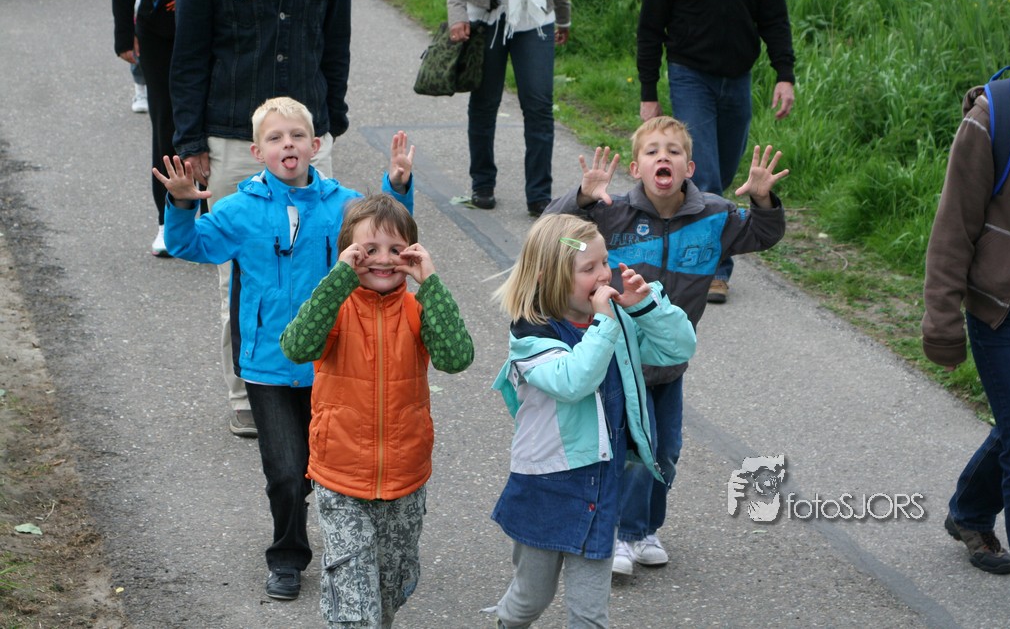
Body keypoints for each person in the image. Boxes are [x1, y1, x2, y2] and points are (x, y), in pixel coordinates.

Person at [154, 98, 414, 602]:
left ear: (315, 146)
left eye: (296, 135)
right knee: (286, 473)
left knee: (335, 468)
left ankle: (354, 547)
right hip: (267, 366)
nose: (287, 144)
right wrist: (182, 204)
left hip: (333, 363)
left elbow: (387, 235)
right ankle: (288, 557)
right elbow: (191, 246)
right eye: (274, 138)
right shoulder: (239, 209)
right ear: (258, 152)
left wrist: (397, 186)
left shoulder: (344, 205)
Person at [545, 116, 787, 576]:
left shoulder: (713, 215)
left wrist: (762, 200)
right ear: (635, 168)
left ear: (689, 168)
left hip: (669, 363)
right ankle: (620, 532)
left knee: (665, 452)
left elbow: (763, 234)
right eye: (653, 151)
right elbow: (551, 230)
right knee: (631, 451)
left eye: (674, 151)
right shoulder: (610, 212)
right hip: (618, 360)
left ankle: (644, 530)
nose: (664, 157)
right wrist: (581, 198)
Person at [170, 0, 351, 437]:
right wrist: (190, 140)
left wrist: (332, 118)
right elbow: (188, 53)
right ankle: (247, 391)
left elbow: (336, 41)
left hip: (309, 133)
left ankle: (318, 383)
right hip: (231, 139)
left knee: (320, 269)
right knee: (241, 278)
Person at [487, 214, 697, 627]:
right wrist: (605, 323)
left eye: (605, 262)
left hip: (601, 485)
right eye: (589, 268)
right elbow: (574, 382)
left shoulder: (614, 318)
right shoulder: (531, 335)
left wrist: (646, 307)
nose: (604, 275)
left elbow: (678, 349)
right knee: (531, 599)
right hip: (546, 484)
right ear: (549, 278)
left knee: (590, 613)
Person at [280, 194, 473, 627]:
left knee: (391, 586)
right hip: (340, 477)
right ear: (348, 254)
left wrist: (431, 283)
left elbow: (457, 357)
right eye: (369, 250)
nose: (383, 260)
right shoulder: (335, 307)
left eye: (395, 249)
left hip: (405, 477)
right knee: (354, 601)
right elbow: (296, 346)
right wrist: (338, 280)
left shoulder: (418, 309)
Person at [923, 0, 1010, 628]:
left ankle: (968, 511)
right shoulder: (993, 120)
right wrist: (941, 322)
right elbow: (953, 230)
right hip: (1007, 312)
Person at [636, 0, 795, 304]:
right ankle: (713, 271)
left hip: (738, 77)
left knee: (722, 173)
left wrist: (784, 74)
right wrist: (648, 92)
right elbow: (650, 28)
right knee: (704, 174)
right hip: (690, 74)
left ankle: (679, 237)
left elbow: (774, 17)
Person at [446, 0, 571, 217]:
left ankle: (539, 195)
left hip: (536, 18)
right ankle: (482, 184)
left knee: (539, 106)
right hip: (486, 17)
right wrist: (457, 13)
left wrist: (564, 15)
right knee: (484, 103)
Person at [112, 0, 182, 256]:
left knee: (217, 123)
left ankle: (215, 218)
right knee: (168, 122)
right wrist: (124, 33)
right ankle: (169, 221)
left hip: (221, 28)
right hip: (161, 29)